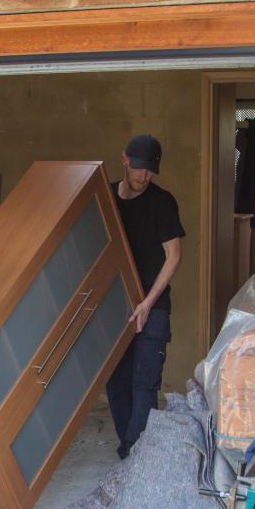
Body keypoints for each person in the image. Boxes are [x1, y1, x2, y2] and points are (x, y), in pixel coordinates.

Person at [106, 134, 185, 459]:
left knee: (145, 384)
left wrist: (147, 303)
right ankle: (129, 448)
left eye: (150, 172)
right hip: (115, 307)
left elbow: (174, 256)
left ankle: (138, 457)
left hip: (153, 307)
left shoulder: (162, 202)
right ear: (125, 160)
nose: (144, 177)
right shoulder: (106, 197)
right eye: (139, 169)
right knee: (115, 382)